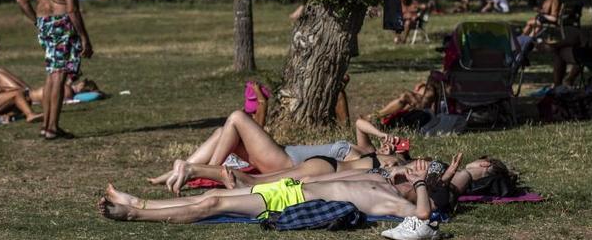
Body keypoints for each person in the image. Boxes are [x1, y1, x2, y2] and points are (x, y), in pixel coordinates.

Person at [98, 159, 434, 224]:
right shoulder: (386, 180)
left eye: (415, 179)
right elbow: (391, 166)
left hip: (292, 202)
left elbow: (424, 212)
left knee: (212, 202)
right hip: (291, 188)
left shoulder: (396, 203)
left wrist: (420, 185)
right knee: (205, 197)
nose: (409, 176)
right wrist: (408, 170)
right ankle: (139, 201)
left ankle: (134, 213)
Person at [148, 109, 403, 191]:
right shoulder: (365, 148)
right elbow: (359, 123)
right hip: (281, 153)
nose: (387, 149)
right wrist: (383, 135)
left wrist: (387, 155)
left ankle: (207, 171)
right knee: (222, 134)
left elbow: (387, 163)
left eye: (391, 153)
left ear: (390, 160)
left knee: (237, 117)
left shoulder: (364, 159)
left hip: (284, 161)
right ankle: (171, 174)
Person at [16, 0, 93, 140]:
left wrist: (37, 22)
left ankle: (47, 126)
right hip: (62, 25)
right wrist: (84, 38)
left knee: (52, 76)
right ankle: (52, 127)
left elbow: (22, 0)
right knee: (59, 77)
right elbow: (72, 10)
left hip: (45, 25)